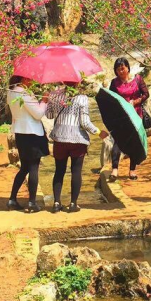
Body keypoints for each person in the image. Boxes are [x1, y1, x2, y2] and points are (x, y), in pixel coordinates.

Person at [46, 82, 109, 213]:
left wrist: (47, 100)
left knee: (59, 171)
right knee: (76, 172)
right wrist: (98, 132)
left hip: (60, 138)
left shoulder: (54, 95)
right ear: (78, 81)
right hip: (77, 140)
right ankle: (73, 204)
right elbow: (85, 123)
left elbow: (49, 116)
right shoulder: (82, 98)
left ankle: (57, 203)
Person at [7, 76, 50, 212]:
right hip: (31, 133)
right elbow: (38, 114)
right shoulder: (23, 93)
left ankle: (12, 199)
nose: (32, 81)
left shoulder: (11, 91)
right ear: (23, 79)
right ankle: (32, 202)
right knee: (33, 167)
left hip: (21, 132)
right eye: (29, 79)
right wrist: (44, 101)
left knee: (25, 167)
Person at [109, 57, 150, 181]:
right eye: (118, 69)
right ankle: (114, 170)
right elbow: (111, 98)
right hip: (121, 117)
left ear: (127, 67)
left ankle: (132, 170)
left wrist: (136, 101)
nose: (121, 71)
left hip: (136, 115)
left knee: (134, 142)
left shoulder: (137, 79)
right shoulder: (114, 83)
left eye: (123, 68)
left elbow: (146, 94)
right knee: (117, 142)